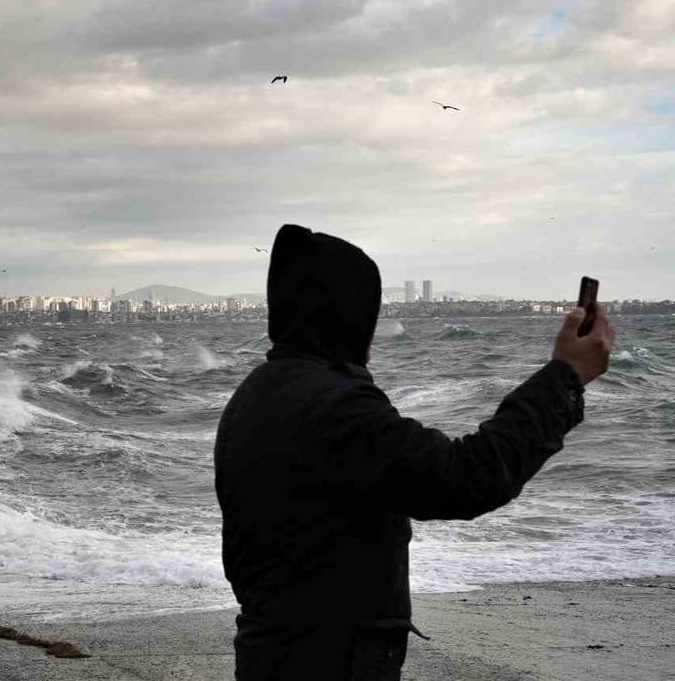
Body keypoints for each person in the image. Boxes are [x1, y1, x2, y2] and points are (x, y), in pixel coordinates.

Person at [214, 224, 614, 680]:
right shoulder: (333, 406)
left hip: (275, 649)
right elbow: (466, 478)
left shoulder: (259, 393)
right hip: (325, 658)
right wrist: (564, 377)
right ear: (352, 315)